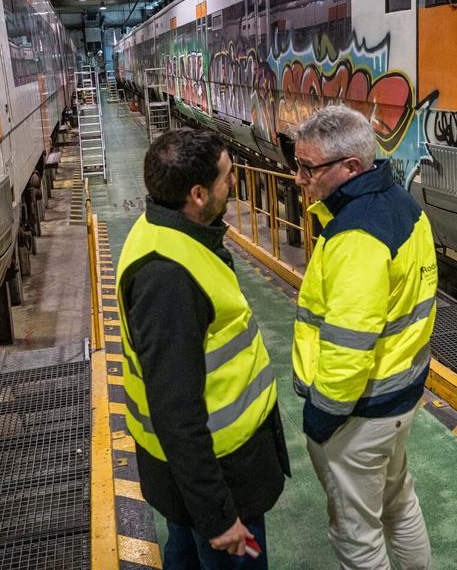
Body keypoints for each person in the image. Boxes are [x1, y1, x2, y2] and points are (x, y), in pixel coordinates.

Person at [116, 128, 290, 569]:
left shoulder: (162, 228)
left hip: (193, 478)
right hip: (218, 478)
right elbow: (176, 411)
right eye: (227, 178)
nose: (234, 184)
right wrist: (217, 516)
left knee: (183, 551)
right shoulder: (169, 279)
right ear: (197, 194)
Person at [291, 104, 438, 570]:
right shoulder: (402, 206)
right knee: (399, 504)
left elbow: (348, 346)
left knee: (358, 538)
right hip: (399, 397)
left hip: (359, 412)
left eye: (307, 167)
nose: (298, 178)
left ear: (351, 167)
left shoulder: (357, 236)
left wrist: (322, 416)